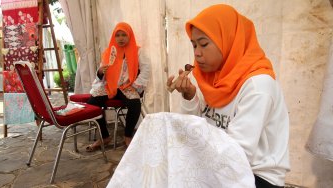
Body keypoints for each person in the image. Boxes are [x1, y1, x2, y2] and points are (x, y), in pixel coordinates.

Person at [167, 4, 290, 188]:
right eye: (194, 45)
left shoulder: (258, 86)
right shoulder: (211, 77)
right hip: (220, 163)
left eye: (204, 44)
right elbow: (196, 129)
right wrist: (189, 97)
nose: (197, 53)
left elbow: (237, 154)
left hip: (258, 175)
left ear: (229, 39)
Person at [86, 22, 150, 151]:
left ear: (129, 36)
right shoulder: (109, 52)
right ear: (114, 37)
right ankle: (104, 136)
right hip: (110, 85)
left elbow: (146, 69)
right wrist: (100, 72)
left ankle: (128, 136)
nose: (121, 38)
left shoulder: (137, 51)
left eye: (124, 35)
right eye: (118, 35)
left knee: (134, 103)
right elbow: (102, 70)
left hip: (127, 86)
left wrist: (136, 84)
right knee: (93, 103)